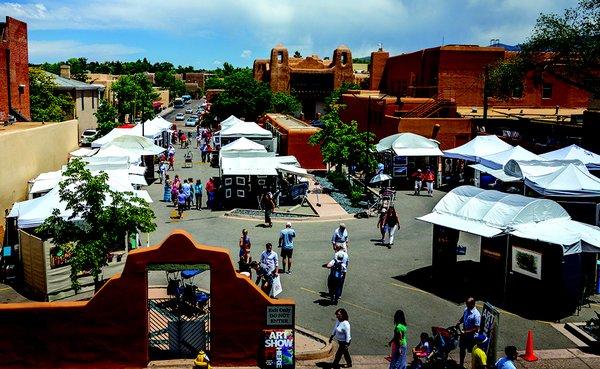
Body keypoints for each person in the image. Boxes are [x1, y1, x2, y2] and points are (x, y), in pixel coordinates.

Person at [456, 297, 482, 368]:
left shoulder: (476, 315)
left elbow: (477, 328)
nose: (466, 306)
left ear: (473, 304)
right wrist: (460, 321)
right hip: (464, 334)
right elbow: (464, 316)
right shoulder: (466, 309)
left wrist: (466, 331)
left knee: (473, 352)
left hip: (471, 337)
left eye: (468, 305)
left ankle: (474, 366)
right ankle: (461, 364)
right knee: (462, 349)